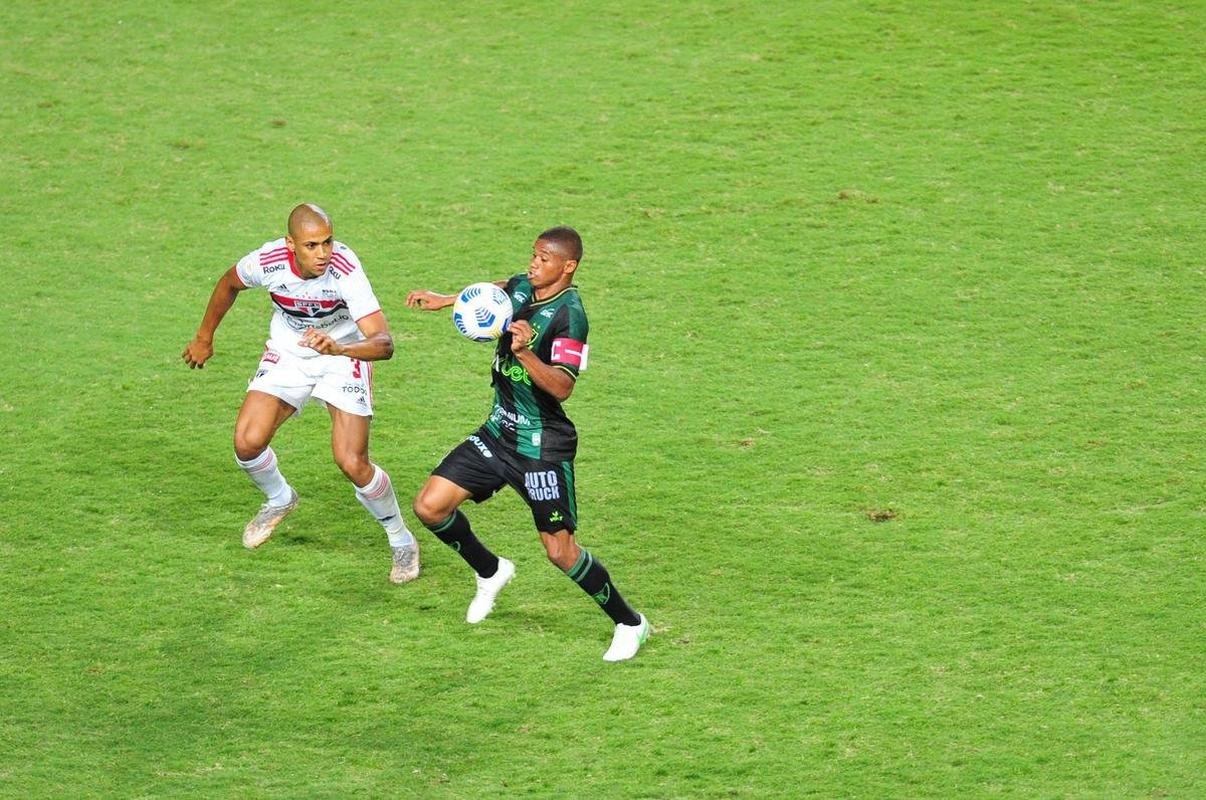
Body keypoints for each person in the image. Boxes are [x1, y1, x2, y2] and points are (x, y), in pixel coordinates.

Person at [405, 226, 650, 661]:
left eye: (543, 259)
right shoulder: (523, 285)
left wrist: (524, 353)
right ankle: (491, 570)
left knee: (560, 551)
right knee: (430, 506)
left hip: (541, 448)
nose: (533, 264)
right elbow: (501, 289)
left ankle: (630, 623)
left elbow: (563, 387)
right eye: (533, 255)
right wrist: (450, 300)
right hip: (498, 431)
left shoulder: (570, 317)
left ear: (568, 266)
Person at [181, 203, 420, 584]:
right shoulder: (267, 261)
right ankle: (280, 499)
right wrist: (203, 337)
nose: (323, 253)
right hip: (290, 353)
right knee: (247, 442)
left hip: (343, 355)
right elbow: (228, 283)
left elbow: (384, 343)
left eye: (328, 242)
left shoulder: (345, 269)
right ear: (291, 244)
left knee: (352, 462)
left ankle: (401, 539)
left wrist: (339, 348)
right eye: (312, 245)